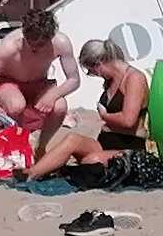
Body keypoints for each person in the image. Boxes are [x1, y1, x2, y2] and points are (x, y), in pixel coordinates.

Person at [27, 39, 149, 178]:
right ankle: (32, 173)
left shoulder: (134, 78)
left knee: (91, 161)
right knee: (72, 140)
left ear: (98, 64)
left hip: (129, 146)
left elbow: (128, 120)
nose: (95, 75)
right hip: (105, 142)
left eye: (91, 72)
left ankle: (56, 171)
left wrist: (105, 116)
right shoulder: (111, 80)